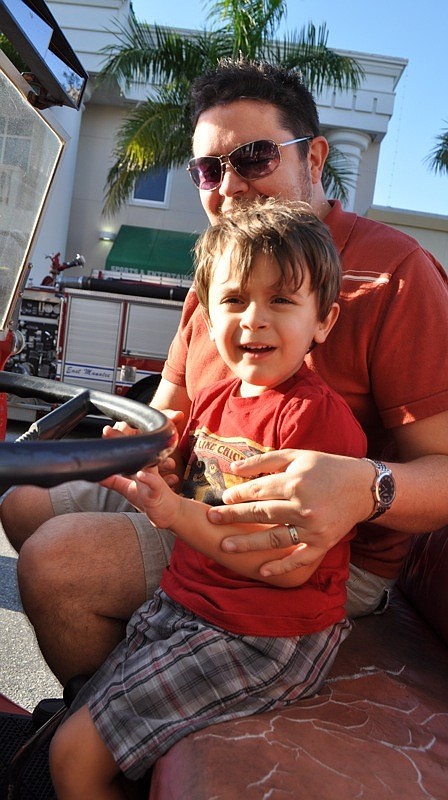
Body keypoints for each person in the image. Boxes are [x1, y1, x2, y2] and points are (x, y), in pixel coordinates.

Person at [0, 59, 448, 686]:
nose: (228, 187)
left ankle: (112, 739)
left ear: (314, 160)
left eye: (254, 157)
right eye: (207, 169)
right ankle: (127, 693)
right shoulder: (214, 282)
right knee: (23, 504)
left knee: (58, 564)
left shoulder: (395, 275)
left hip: (311, 548)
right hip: (200, 492)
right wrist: (155, 452)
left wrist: (364, 488)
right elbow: (170, 411)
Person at [48, 199, 367, 796]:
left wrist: (171, 513)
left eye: (281, 300)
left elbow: (278, 568)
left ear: (323, 320)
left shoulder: (316, 426)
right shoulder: (219, 399)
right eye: (234, 299)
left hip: (265, 635)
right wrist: (151, 466)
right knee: (80, 712)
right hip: (193, 605)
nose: (253, 320)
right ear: (205, 312)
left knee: (73, 757)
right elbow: (199, 486)